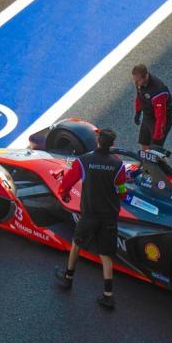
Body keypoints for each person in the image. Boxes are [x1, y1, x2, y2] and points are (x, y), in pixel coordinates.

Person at [54, 128, 127, 309]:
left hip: (89, 213)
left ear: (98, 141)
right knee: (106, 254)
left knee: (77, 244)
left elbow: (68, 181)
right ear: (111, 144)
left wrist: (63, 193)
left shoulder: (84, 161)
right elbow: (122, 192)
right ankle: (108, 295)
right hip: (109, 215)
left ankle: (68, 277)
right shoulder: (118, 165)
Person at [132, 64, 172, 150]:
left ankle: (163, 163)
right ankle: (146, 163)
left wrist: (158, 134)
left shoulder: (158, 91)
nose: (135, 83)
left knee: (155, 151)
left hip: (162, 120)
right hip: (149, 116)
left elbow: (161, 116)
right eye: (134, 80)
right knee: (144, 145)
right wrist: (138, 112)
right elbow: (139, 97)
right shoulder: (140, 83)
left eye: (138, 81)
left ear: (146, 76)